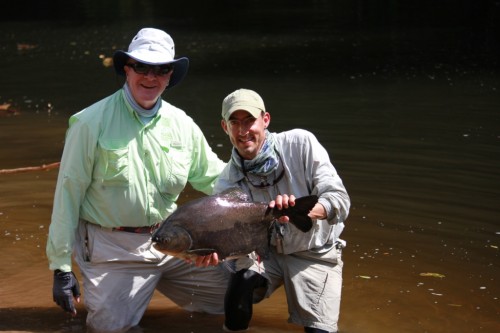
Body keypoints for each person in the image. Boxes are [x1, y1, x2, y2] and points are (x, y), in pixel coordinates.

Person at [46, 27, 228, 332]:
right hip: (113, 250)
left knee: (238, 295)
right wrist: (61, 267)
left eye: (161, 69)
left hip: (174, 244)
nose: (150, 77)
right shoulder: (89, 123)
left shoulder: (183, 125)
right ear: (127, 69)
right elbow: (68, 195)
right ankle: (122, 299)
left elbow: (217, 180)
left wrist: (271, 191)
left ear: (171, 75)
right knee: (109, 329)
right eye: (141, 66)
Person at [213, 89, 350, 333]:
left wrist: (303, 211)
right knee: (239, 287)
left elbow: (339, 200)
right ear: (225, 127)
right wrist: (217, 251)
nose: (243, 131)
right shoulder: (226, 183)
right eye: (235, 123)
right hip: (266, 252)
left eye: (249, 121)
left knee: (319, 330)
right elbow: (235, 238)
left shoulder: (301, 144)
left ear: (265, 120)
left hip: (314, 251)